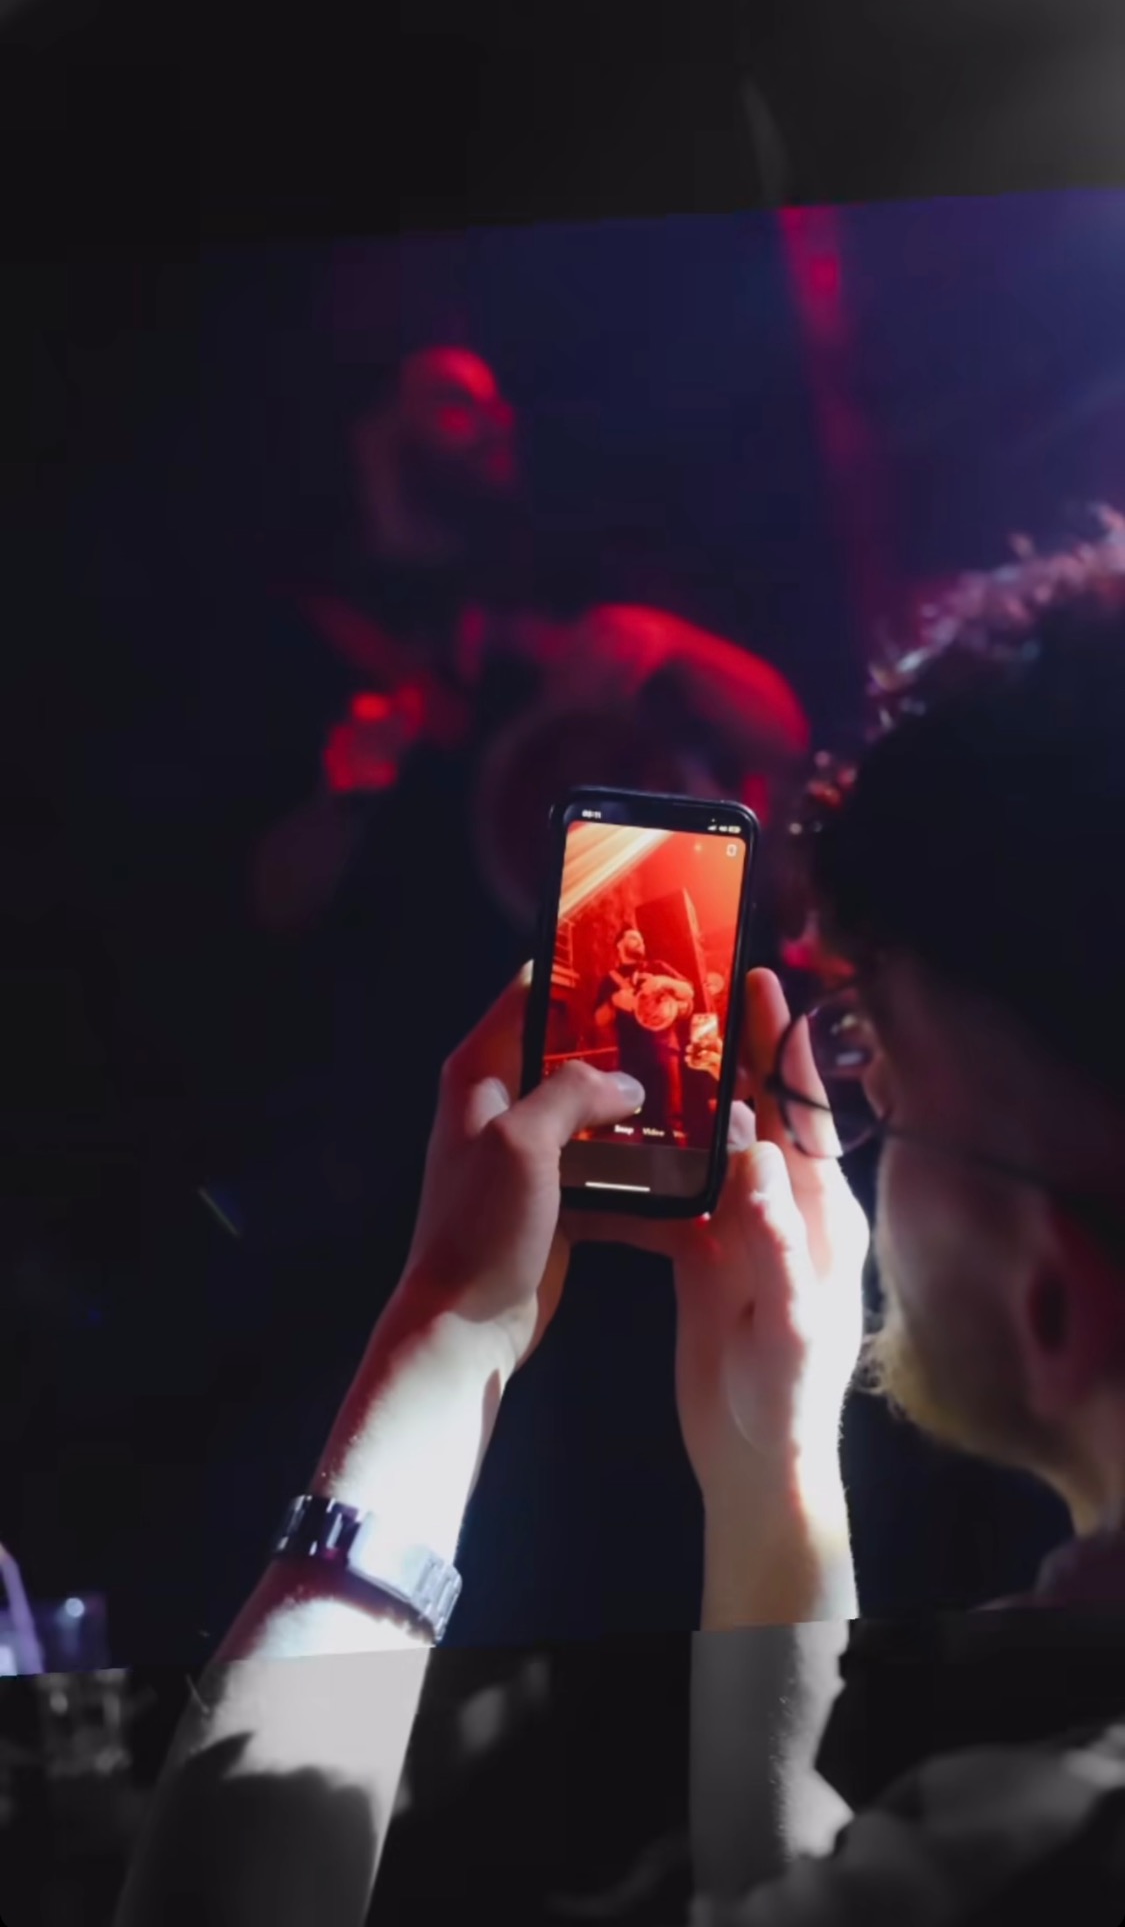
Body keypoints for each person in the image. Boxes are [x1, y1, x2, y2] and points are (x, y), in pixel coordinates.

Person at [113, 511, 1125, 1926]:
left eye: (879, 1067)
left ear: (1053, 1296)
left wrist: (446, 1338)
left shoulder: (1035, 1844)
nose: (853, 1119)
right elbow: (793, 1894)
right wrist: (776, 1470)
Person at [593, 928, 696, 1136]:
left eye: (641, 938)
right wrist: (614, 1001)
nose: (640, 941)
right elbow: (598, 1020)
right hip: (631, 1059)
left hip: (664, 1053)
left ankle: (669, 1151)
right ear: (619, 945)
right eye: (633, 938)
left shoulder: (657, 967)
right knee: (636, 1123)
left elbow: (689, 991)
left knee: (668, 1122)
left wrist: (663, 981)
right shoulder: (610, 981)